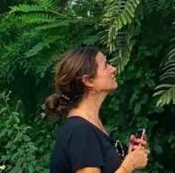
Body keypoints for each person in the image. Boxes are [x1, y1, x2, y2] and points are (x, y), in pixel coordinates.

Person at [44, 45, 149, 173]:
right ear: (88, 81)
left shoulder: (91, 126)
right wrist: (129, 165)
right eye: (105, 65)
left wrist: (130, 156)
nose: (113, 69)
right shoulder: (80, 131)